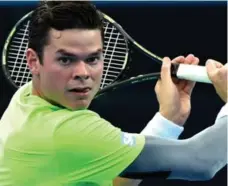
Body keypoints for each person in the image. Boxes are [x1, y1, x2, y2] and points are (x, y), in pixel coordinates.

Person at [0, 1, 226, 186]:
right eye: (66, 59)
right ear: (33, 61)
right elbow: (202, 161)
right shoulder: (64, 132)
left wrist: (169, 119)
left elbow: (114, 180)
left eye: (92, 59)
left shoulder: (26, 99)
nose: (83, 73)